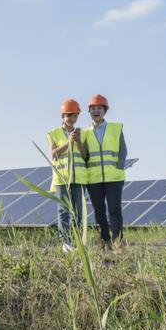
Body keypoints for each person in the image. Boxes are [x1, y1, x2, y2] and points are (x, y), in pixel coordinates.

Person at [83, 94, 127, 250]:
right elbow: (84, 154)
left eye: (99, 108)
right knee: (99, 211)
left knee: (115, 210)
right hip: (94, 179)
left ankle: (117, 241)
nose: (96, 111)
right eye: (93, 108)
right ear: (89, 112)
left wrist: (119, 166)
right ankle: (105, 240)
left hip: (114, 177)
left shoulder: (115, 128)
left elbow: (123, 150)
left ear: (105, 110)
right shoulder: (84, 133)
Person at [47, 99, 88, 252]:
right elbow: (53, 154)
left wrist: (78, 142)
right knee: (63, 210)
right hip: (62, 178)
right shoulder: (53, 133)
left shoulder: (81, 133)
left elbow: (85, 155)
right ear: (63, 116)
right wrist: (68, 143)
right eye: (68, 115)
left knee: (78, 211)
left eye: (74, 115)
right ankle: (66, 243)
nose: (71, 118)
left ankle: (77, 241)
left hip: (78, 178)